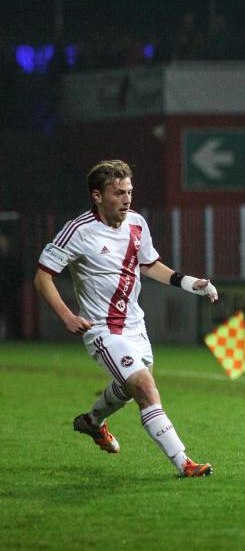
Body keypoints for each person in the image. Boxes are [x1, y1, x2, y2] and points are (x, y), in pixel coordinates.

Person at [33, 160, 216, 477]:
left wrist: (190, 283)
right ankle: (184, 463)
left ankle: (91, 421)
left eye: (129, 191)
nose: (127, 199)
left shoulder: (137, 224)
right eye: (118, 193)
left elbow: (149, 265)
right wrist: (66, 315)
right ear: (97, 196)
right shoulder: (78, 231)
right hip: (103, 330)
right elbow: (42, 277)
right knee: (144, 386)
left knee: (134, 387)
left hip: (135, 324)